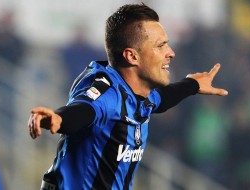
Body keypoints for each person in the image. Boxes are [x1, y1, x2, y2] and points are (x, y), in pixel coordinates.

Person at [28, 3, 228, 190]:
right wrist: (58, 118)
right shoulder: (107, 93)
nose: (171, 52)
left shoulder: (141, 94)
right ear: (132, 56)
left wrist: (192, 84)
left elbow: (163, 99)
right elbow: (83, 110)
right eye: (161, 46)